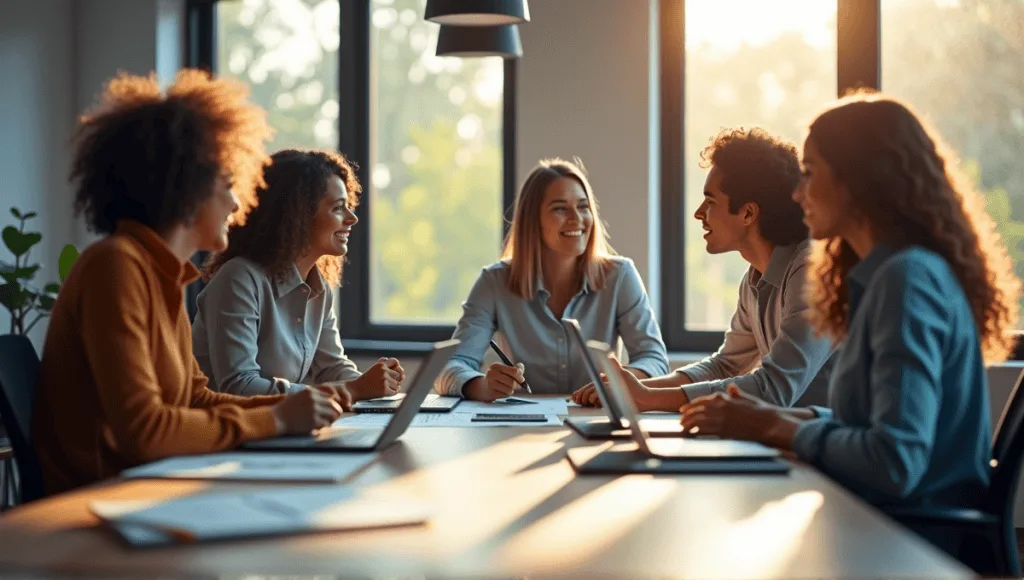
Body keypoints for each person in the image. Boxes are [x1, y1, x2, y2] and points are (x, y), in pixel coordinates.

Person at [666, 91, 1020, 509]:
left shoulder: (907, 280)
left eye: (810, 172)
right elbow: (868, 427)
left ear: (858, 181)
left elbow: (895, 461)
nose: (797, 194)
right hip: (873, 517)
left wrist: (778, 425)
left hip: (908, 541)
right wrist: (770, 421)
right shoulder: (878, 278)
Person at [32, 71, 348, 496]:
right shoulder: (116, 266)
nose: (238, 203)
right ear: (187, 190)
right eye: (227, 186)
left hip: (150, 489)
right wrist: (275, 419)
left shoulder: (164, 274)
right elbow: (146, 431)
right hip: (100, 505)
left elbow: (196, 398)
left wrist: (288, 406)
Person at [573, 128, 835, 411]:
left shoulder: (811, 270)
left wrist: (649, 398)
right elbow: (725, 366)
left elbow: (774, 387)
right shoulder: (755, 279)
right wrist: (634, 389)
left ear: (747, 213)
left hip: (831, 448)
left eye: (710, 202)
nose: (699, 213)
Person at [435, 158, 669, 401]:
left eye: (583, 206)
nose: (576, 219)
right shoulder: (494, 282)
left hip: (595, 422)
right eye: (560, 208)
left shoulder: (620, 276)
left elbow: (654, 359)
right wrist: (481, 386)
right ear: (532, 220)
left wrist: (618, 383)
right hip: (520, 429)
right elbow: (449, 367)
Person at [193, 149, 404, 400]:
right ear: (298, 215)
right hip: (231, 434)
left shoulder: (318, 287)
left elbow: (331, 367)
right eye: (339, 208)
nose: (352, 218)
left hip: (275, 433)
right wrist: (353, 390)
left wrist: (373, 383)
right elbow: (240, 386)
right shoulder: (239, 278)